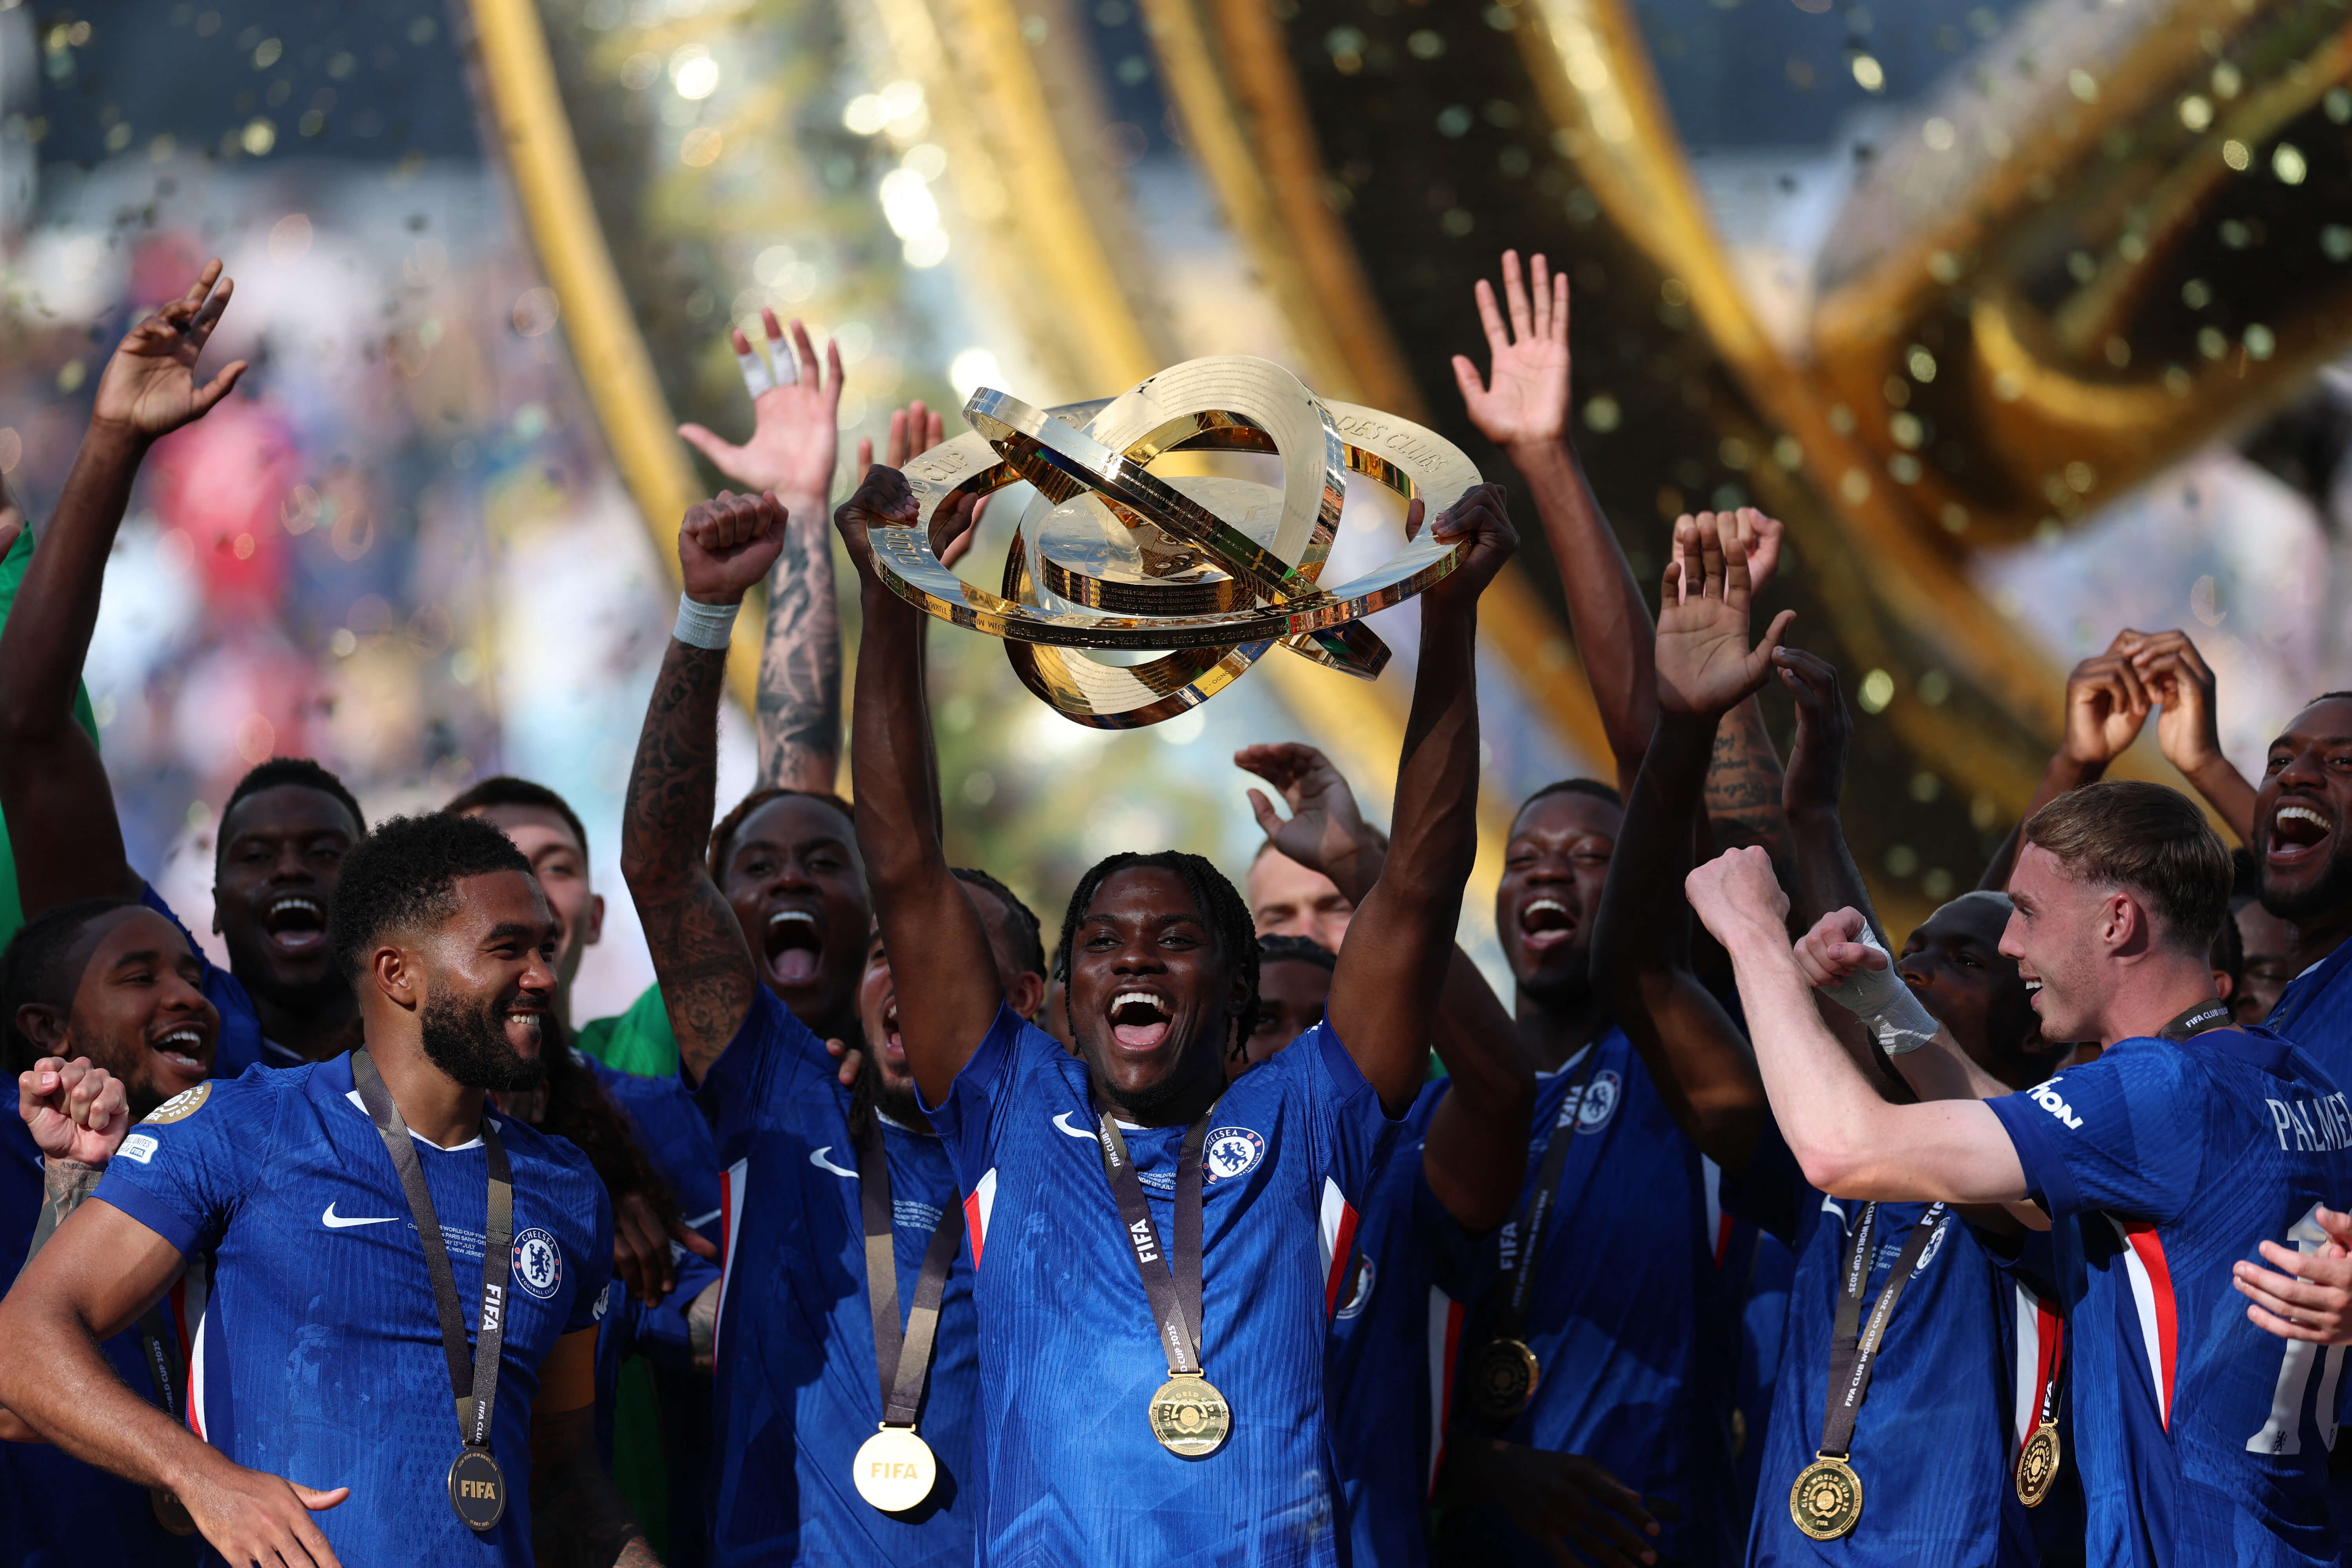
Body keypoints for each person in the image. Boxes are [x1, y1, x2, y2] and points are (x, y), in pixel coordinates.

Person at [837, 445, 1512, 1560]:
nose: (1134, 961)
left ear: (1239, 988)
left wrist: (1450, 617)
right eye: (1101, 943)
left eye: (1175, 940)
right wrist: (890, 599)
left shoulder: (1309, 1115)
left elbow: (1424, 889)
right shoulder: (1011, 1104)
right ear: (1063, 992)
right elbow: (906, 869)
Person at [1686, 772, 2347, 1566]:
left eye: (2029, 911)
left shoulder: (2163, 1091)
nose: (2011, 944)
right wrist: (1886, 1005)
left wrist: (1753, 934)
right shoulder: (2292, 1077)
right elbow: (2023, 1145)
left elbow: (1839, 1147)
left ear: (2118, 921)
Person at [1590, 513, 2067, 1566]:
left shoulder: (2061, 1171)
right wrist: (1689, 722)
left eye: (1961, 960)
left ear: (2039, 1017)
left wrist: (1807, 863)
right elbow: (1639, 972)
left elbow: (1893, 1022)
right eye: (1914, 946)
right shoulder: (1816, 1162)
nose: (1913, 964)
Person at [0, 812, 654, 1566]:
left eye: (543, 947)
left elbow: (566, 1481)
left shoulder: (566, 1188)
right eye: (508, 949)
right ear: (398, 974)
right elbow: (21, 1343)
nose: (542, 975)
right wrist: (206, 1479)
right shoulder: (244, 1128)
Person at [618, 487, 1043, 1563]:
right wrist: (707, 613)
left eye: (947, 961)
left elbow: (908, 861)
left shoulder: (1060, 1142)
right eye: (892, 955)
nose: (914, 977)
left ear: (1026, 1002)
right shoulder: (780, 1096)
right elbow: (661, 870)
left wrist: (896, 597)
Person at [0, 260, 367, 1076]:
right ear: (212, 907)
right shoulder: (192, 1053)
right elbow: (30, 728)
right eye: (253, 857)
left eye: (323, 851)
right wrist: (115, 441)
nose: (290, 871)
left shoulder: (450, 1071)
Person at [1233, 742, 1544, 1568]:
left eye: (1334, 905)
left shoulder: (1428, 1130)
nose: (1307, 932)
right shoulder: (1162, 1161)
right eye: (1277, 918)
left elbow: (1503, 1089)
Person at [2, 906, 218, 1567]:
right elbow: (17, 1403)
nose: (188, 997)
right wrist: (73, 1174)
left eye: (194, 978)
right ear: (49, 1030)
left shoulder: (245, 1156)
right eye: (140, 978)